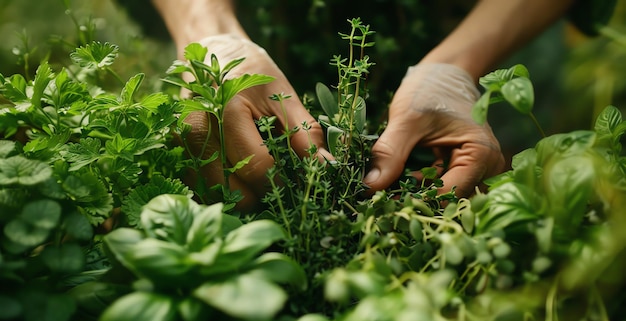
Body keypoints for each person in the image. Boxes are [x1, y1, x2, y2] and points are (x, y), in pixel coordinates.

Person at [150, 0, 581, 211]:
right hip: (257, 16)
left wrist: (459, 68)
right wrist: (207, 28)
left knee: (485, 170)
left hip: (490, 25)